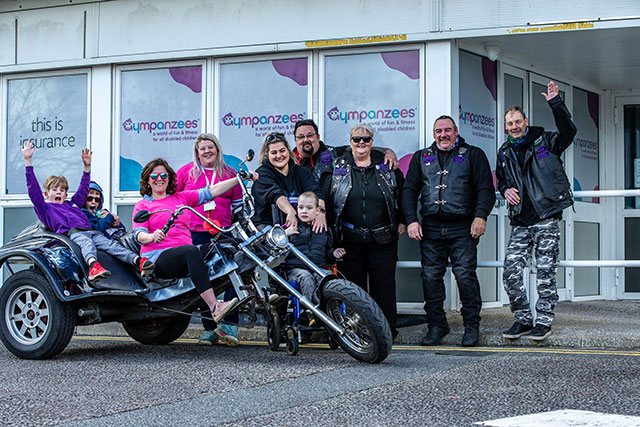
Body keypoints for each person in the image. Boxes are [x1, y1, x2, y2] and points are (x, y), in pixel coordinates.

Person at [132, 158, 258, 347]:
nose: (160, 179)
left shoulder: (180, 198)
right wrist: (151, 237)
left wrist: (239, 179)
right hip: (159, 258)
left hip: (184, 254)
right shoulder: (143, 205)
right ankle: (215, 306)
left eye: (164, 175)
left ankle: (257, 295)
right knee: (191, 251)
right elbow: (138, 234)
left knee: (233, 245)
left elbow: (211, 192)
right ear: (147, 180)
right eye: (155, 176)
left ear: (169, 178)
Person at [402, 115, 495, 347]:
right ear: (433, 134)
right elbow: (408, 191)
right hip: (431, 228)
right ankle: (436, 325)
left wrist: (480, 216)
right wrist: (412, 220)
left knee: (465, 276)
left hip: (464, 227)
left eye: (447, 130)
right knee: (430, 277)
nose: (443, 135)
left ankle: (471, 326)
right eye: (438, 131)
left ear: (456, 131)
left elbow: (485, 189)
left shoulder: (474, 154)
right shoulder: (421, 157)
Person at [497, 81, 577, 341]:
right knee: (510, 271)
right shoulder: (505, 151)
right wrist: (506, 189)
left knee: (545, 273)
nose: (514, 127)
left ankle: (543, 322)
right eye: (509, 124)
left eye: (517, 122)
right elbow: (502, 179)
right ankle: (522, 319)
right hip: (520, 221)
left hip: (546, 217)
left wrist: (555, 102)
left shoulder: (545, 140)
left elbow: (568, 131)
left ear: (525, 121)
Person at [22, 143, 153, 283]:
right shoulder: (45, 208)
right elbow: (33, 190)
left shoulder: (72, 204)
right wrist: (28, 162)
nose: (59, 192)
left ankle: (138, 261)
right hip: (74, 234)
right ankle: (93, 267)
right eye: (55, 190)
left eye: (62, 190)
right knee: (87, 244)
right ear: (47, 194)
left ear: (66, 195)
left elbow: (84, 189)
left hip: (91, 231)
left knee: (111, 245)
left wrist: (86, 168)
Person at [321, 124, 405, 338]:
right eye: (356, 139)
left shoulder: (387, 166)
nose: (361, 143)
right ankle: (357, 331)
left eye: (366, 139)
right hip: (349, 239)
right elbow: (327, 200)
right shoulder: (337, 167)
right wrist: (327, 228)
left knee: (383, 287)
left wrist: (404, 220)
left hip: (383, 237)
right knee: (354, 290)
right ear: (350, 142)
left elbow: (403, 196)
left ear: (372, 142)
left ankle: (386, 332)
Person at [175, 133, 242, 345]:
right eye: (202, 148)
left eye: (210, 147)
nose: (206, 151)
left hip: (222, 231)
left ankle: (230, 325)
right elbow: (174, 202)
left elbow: (238, 207)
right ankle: (209, 328)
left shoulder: (230, 174)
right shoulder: (185, 173)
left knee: (234, 272)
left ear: (217, 149)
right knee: (201, 276)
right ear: (197, 152)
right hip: (194, 231)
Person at [251, 132, 326, 232]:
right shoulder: (262, 174)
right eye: (273, 152)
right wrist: (290, 211)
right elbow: (275, 194)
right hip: (269, 226)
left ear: (288, 151)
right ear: (267, 155)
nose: (279, 156)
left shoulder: (301, 172)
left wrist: (321, 212)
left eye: (282, 151)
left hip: (298, 225)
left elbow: (316, 193)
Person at [284, 191, 345, 306]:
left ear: (318, 211)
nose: (304, 211)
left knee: (330, 278)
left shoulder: (324, 230)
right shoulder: (291, 226)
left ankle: (331, 310)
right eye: (301, 207)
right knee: (307, 278)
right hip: (296, 269)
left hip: (318, 267)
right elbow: (272, 241)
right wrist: (285, 234)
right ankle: (310, 310)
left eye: (309, 208)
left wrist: (333, 253)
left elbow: (326, 253)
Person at [293, 119, 399, 180]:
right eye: (301, 137)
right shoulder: (288, 160)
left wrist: (387, 151)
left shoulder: (334, 153)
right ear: (295, 140)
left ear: (318, 137)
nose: (306, 140)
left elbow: (360, 147)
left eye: (310, 135)